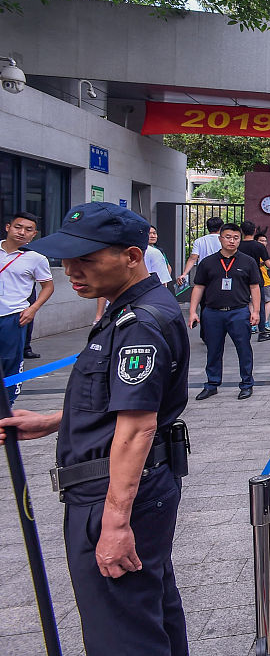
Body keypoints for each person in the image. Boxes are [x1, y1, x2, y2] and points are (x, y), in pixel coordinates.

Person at [0, 202, 189, 655]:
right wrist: (54, 420)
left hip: (114, 490)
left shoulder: (140, 323)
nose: (71, 271)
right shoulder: (128, 309)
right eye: (66, 259)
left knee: (121, 632)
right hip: (125, 482)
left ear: (131, 256)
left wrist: (116, 521)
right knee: (147, 612)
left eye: (86, 259)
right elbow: (123, 401)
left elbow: (138, 427)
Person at [189, 223, 260, 401]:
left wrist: (256, 311)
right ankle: (212, 384)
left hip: (239, 312)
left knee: (244, 349)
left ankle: (246, 384)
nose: (232, 241)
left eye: (236, 238)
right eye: (228, 237)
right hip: (212, 312)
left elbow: (254, 287)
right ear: (220, 238)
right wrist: (193, 311)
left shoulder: (248, 261)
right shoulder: (208, 262)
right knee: (213, 349)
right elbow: (199, 287)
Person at [0, 211, 54, 403]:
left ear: (34, 234)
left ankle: (7, 405)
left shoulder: (36, 258)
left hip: (13, 316)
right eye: (18, 227)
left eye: (28, 229)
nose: (22, 232)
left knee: (9, 362)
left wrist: (33, 309)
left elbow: (48, 287)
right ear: (8, 227)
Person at [238, 221, 270, 342]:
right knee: (260, 304)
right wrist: (259, 263)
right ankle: (262, 331)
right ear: (254, 231)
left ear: (241, 231)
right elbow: (269, 264)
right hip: (256, 278)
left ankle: (244, 328)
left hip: (240, 278)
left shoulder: (238, 245)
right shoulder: (259, 246)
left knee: (242, 304)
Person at [179, 215, 222, 282]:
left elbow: (193, 258)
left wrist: (184, 274)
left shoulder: (199, 241)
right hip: (220, 270)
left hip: (203, 271)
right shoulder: (224, 240)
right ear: (221, 227)